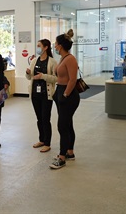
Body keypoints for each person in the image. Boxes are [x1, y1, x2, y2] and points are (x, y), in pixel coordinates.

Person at [51, 29, 80, 169]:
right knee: (67, 124)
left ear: (60, 45)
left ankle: (62, 157)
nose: (54, 46)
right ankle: (70, 152)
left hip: (68, 95)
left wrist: (65, 95)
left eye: (55, 44)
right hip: (61, 92)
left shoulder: (70, 59)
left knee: (62, 125)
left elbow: (73, 80)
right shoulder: (63, 58)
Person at [25, 39, 57, 153]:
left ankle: (47, 143)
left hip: (46, 95)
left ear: (46, 47)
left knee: (45, 119)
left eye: (39, 46)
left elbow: (56, 78)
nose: (37, 48)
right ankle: (42, 140)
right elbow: (30, 78)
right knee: (39, 119)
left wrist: (43, 76)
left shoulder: (53, 62)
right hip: (35, 94)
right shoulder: (34, 61)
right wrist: (28, 73)